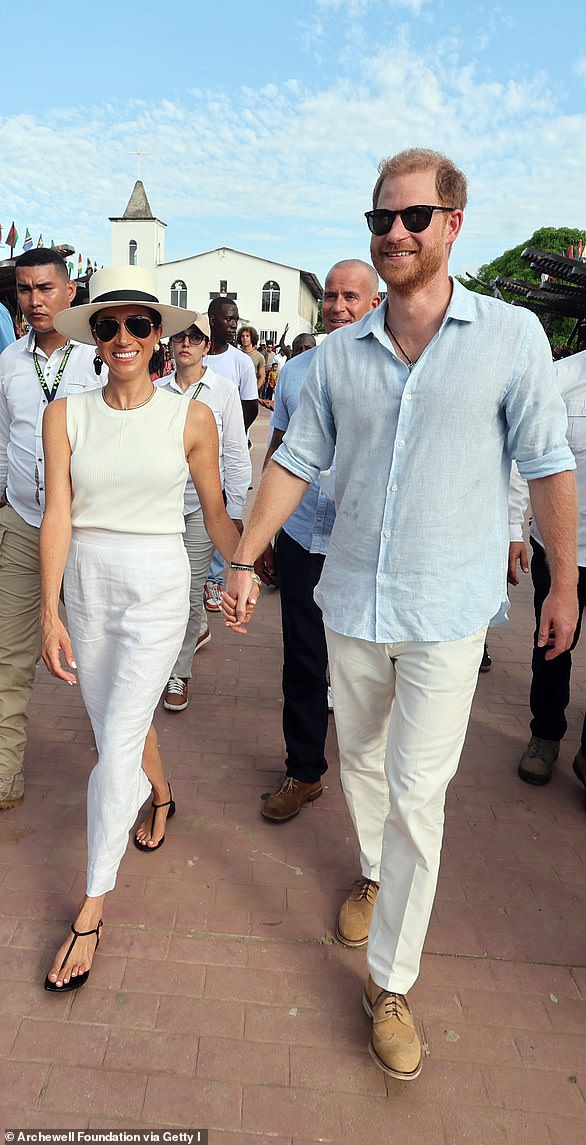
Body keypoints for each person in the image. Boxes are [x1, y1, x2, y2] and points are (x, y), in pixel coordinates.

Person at [221, 148, 578, 1079]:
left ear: (454, 223)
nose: (393, 233)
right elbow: (295, 462)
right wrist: (245, 558)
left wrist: (565, 583)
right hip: (351, 602)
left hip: (450, 610)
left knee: (419, 797)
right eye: (380, 218)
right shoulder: (338, 354)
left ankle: (392, 983)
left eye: (412, 217)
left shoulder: (512, 338)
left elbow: (547, 466)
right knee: (366, 760)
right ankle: (373, 874)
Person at [39, 266, 257, 991]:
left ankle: (92, 907)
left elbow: (219, 513)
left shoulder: (190, 416)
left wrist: (243, 564)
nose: (123, 337)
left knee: (115, 748)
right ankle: (162, 796)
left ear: (159, 334)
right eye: (108, 325)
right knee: (118, 730)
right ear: (94, 337)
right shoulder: (65, 415)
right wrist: (49, 610)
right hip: (88, 587)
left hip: (160, 588)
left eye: (138, 324)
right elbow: (60, 516)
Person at [257, 262, 380, 823]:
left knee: (366, 668)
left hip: (364, 541)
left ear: (374, 302)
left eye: (350, 296)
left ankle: (374, 789)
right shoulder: (295, 372)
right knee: (304, 660)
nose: (337, 306)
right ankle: (304, 771)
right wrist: (262, 531)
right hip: (303, 535)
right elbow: (280, 450)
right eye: (330, 296)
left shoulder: (392, 369)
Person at [0, 249, 100, 811]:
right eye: (23, 289)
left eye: (44, 288)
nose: (34, 300)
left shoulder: (102, 358)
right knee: (8, 656)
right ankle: (3, 775)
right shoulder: (9, 362)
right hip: (21, 523)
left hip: (85, 529)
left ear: (70, 293)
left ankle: (124, 775)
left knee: (102, 657)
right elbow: (2, 438)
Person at [158, 313, 251, 711]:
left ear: (206, 345)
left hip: (201, 506)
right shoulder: (156, 389)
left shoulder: (223, 390)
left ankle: (179, 673)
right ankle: (194, 629)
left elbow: (235, 452)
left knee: (191, 588)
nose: (186, 344)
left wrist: (233, 512)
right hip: (160, 507)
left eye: (195, 338)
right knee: (163, 587)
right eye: (180, 337)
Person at [510, 347, 586, 808]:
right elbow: (527, 459)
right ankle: (546, 735)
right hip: (562, 548)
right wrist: (514, 527)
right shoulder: (561, 378)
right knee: (554, 642)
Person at [204, 298, 258, 612]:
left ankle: (213, 578)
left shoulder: (241, 362)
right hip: (194, 452)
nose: (233, 325)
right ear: (212, 320)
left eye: (236, 319)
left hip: (227, 452)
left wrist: (229, 433)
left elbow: (249, 406)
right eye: (227, 319)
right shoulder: (198, 355)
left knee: (221, 512)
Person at [237, 325, 266, 394]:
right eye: (242, 336)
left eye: (247, 336)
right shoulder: (236, 354)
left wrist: (254, 390)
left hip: (251, 391)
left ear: (252, 338)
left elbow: (262, 376)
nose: (244, 338)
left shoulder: (260, 357)